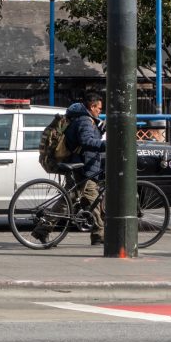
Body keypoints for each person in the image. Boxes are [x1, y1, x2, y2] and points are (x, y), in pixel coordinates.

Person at [64, 92, 106, 245]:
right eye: (99, 108)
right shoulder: (85, 121)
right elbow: (86, 141)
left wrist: (100, 130)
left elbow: (89, 137)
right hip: (83, 166)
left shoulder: (87, 120)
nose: (100, 111)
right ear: (92, 106)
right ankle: (99, 236)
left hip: (82, 164)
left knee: (67, 200)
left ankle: (43, 228)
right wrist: (104, 145)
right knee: (92, 199)